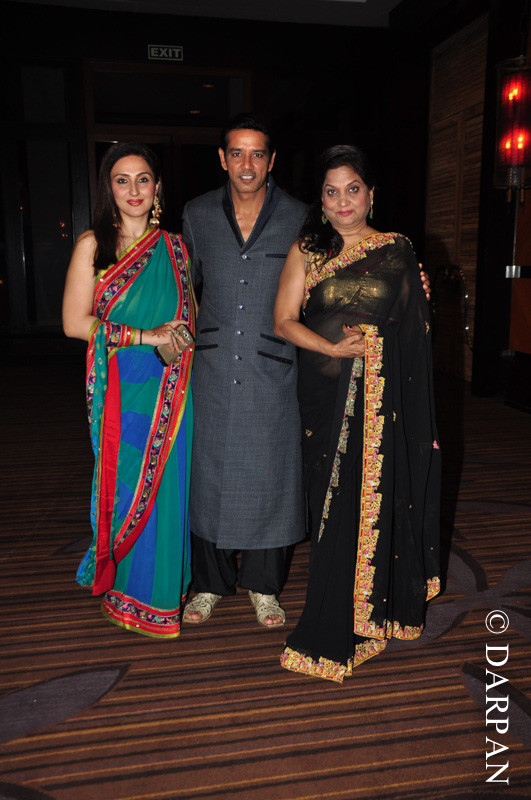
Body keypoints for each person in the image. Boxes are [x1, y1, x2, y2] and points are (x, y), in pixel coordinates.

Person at [274, 145, 440, 681]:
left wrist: (411, 304)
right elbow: (282, 321)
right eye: (331, 191)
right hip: (322, 399)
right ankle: (337, 615)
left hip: (380, 402)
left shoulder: (396, 249)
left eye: (353, 189)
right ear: (320, 202)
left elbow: (415, 329)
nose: (343, 201)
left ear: (370, 194)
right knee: (329, 506)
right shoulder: (307, 250)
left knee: (373, 499)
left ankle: (371, 614)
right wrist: (332, 348)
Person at [63, 142, 195, 637]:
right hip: (121, 388)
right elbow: (74, 323)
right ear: (109, 188)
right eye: (122, 180)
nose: (134, 190)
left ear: (157, 188)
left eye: (144, 179)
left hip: (173, 387)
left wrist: (176, 339)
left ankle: (160, 594)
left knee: (166, 489)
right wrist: (146, 336)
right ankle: (125, 588)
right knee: (125, 484)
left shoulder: (176, 248)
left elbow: (190, 318)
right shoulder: (93, 245)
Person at [181, 114, 308, 627]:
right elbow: (184, 287)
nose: (247, 164)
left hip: (272, 363)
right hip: (211, 365)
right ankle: (209, 584)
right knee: (207, 475)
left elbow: (328, 281)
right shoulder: (197, 213)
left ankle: (264, 586)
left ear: (272, 160)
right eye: (237, 153)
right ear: (222, 158)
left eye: (258, 153)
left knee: (272, 473)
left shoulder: (299, 216)